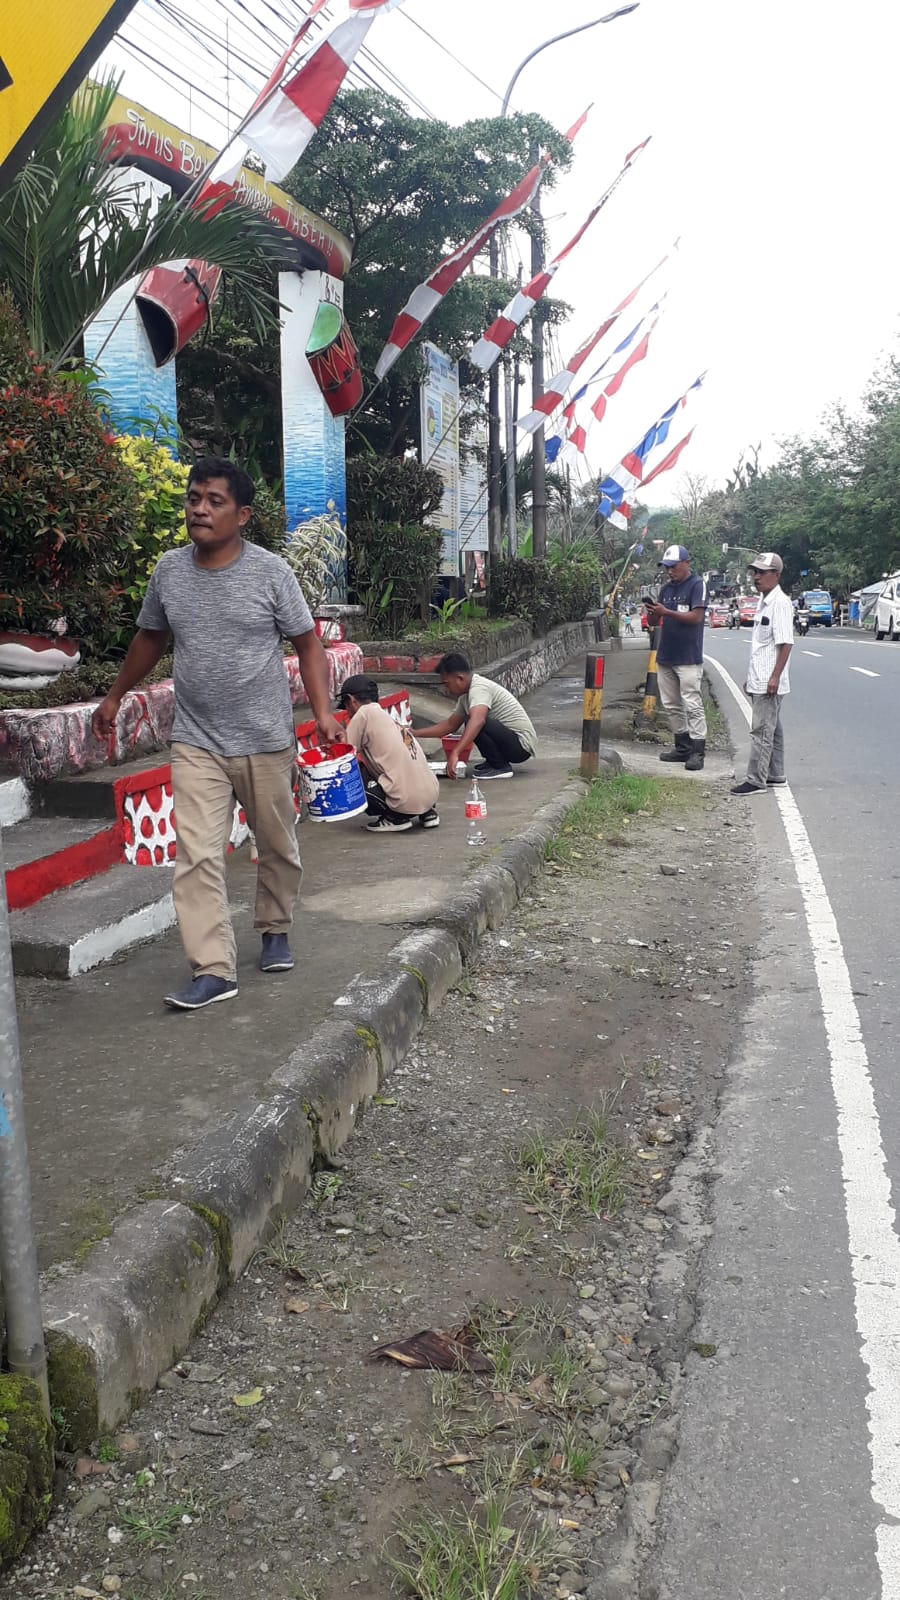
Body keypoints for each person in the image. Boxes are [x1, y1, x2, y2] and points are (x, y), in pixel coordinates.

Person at [91, 456, 343, 1012]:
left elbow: (307, 644)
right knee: (196, 855)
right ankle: (213, 968)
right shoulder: (169, 572)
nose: (199, 509)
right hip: (196, 738)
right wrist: (114, 696)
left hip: (264, 737)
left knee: (276, 845)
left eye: (214, 501)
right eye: (193, 498)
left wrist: (322, 711)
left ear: (242, 514)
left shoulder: (271, 573)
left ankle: (274, 927)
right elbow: (151, 639)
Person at [339, 674, 440, 834]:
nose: (347, 712)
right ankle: (426, 811)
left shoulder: (363, 714)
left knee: (349, 771)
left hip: (404, 800)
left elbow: (344, 754)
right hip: (431, 795)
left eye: (346, 706)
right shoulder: (389, 718)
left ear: (351, 700)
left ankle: (395, 817)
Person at [414, 652, 537, 780]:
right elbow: (450, 725)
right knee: (472, 720)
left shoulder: (479, 688)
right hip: (510, 743)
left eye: (447, 683)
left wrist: (456, 752)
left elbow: (478, 721)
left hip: (521, 747)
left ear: (460, 678)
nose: (446, 689)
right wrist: (415, 733)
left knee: (474, 721)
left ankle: (500, 767)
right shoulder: (465, 697)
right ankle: (493, 761)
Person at [731, 551, 793, 795]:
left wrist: (774, 677)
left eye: (761, 573)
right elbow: (761, 647)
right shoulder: (763, 600)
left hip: (770, 680)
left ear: (776, 575)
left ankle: (756, 780)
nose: (756, 577)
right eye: (754, 572)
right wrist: (752, 676)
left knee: (761, 731)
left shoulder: (780, 603)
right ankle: (776, 775)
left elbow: (785, 643)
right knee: (773, 727)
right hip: (761, 677)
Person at [646, 544, 708, 772]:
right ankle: (681, 747)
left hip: (688, 656)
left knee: (692, 703)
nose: (670, 571)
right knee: (672, 704)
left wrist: (667, 612)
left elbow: (696, 617)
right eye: (667, 567)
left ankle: (697, 750)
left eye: (673, 567)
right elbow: (655, 623)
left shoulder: (697, 585)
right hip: (666, 654)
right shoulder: (666, 590)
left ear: (686, 563)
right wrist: (653, 613)